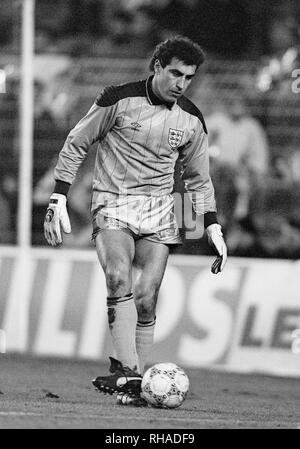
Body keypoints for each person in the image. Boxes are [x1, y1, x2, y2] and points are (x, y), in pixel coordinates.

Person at [43, 36, 227, 406]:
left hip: (161, 209)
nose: (181, 83)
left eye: (189, 77)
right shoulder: (117, 99)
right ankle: (127, 370)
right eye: (175, 73)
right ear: (157, 66)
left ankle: (137, 385)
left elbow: (197, 178)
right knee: (117, 276)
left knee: (146, 299)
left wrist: (211, 224)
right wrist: (59, 194)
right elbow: (78, 141)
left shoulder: (192, 119)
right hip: (114, 203)